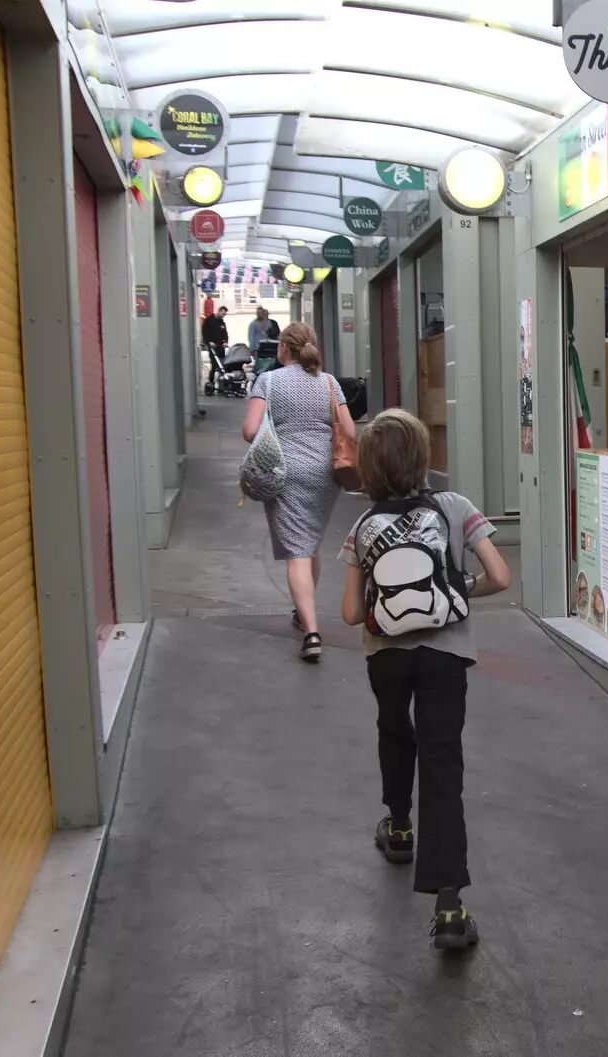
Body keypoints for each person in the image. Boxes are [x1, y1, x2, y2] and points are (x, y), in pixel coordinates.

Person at [339, 409, 510, 952]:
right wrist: (457, 593)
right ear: (423, 460)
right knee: (442, 763)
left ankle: (399, 827)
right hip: (446, 656)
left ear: (368, 470)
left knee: (394, 731)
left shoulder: (361, 527)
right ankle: (451, 908)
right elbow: (501, 577)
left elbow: (347, 613)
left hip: (385, 656)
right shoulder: (455, 507)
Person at [240, 323, 356, 661]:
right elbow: (349, 430)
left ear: (283, 350)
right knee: (309, 544)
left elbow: (250, 431)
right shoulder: (330, 383)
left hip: (284, 473)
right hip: (324, 474)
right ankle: (301, 613)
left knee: (297, 552)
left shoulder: (269, 381)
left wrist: (273, 429)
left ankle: (312, 631)